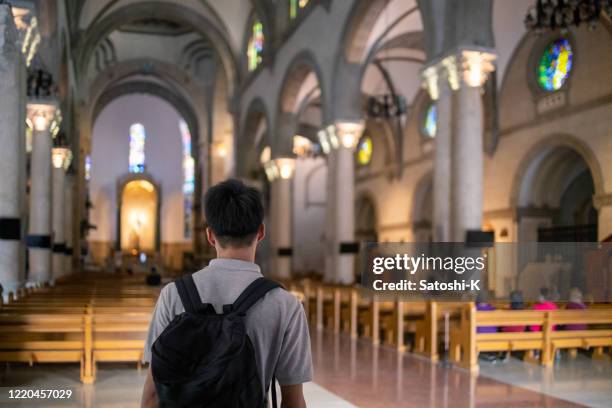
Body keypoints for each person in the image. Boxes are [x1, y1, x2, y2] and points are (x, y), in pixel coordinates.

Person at [141, 179, 311, 408]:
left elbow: (152, 394)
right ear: (261, 232)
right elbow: (292, 401)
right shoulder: (286, 305)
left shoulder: (173, 294)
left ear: (210, 235)